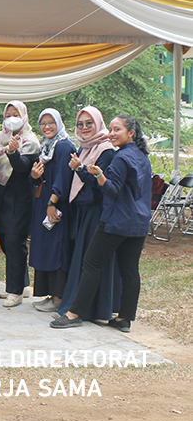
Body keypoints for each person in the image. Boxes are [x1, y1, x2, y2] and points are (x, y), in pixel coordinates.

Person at [51, 114, 152, 333]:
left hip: (116, 221)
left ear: (131, 133)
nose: (112, 134)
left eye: (117, 130)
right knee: (129, 269)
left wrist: (99, 176)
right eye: (111, 129)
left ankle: (74, 314)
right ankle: (124, 318)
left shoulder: (120, 158)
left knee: (91, 264)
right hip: (139, 222)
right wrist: (88, 172)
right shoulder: (142, 156)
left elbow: (112, 190)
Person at [57, 106, 120, 320]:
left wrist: (80, 169)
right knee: (82, 259)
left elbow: (99, 185)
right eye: (80, 124)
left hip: (97, 212)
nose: (84, 128)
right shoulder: (85, 148)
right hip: (82, 211)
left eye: (89, 123)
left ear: (98, 124)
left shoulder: (106, 150)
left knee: (91, 261)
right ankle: (82, 306)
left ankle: (88, 310)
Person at [0, 101, 40, 307]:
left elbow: (22, 167)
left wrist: (12, 153)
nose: (11, 118)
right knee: (4, 239)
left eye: (15, 114)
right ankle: (23, 284)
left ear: (24, 116)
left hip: (20, 197)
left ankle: (15, 291)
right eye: (7, 114)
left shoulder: (30, 141)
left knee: (14, 241)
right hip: (1, 194)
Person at [28, 108, 76, 313]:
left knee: (57, 248)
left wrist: (52, 203)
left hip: (56, 205)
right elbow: (39, 177)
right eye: (43, 123)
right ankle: (49, 294)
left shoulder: (64, 146)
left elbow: (64, 177)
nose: (46, 127)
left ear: (59, 123)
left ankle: (59, 297)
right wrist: (34, 175)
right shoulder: (47, 146)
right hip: (44, 202)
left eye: (51, 123)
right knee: (45, 248)